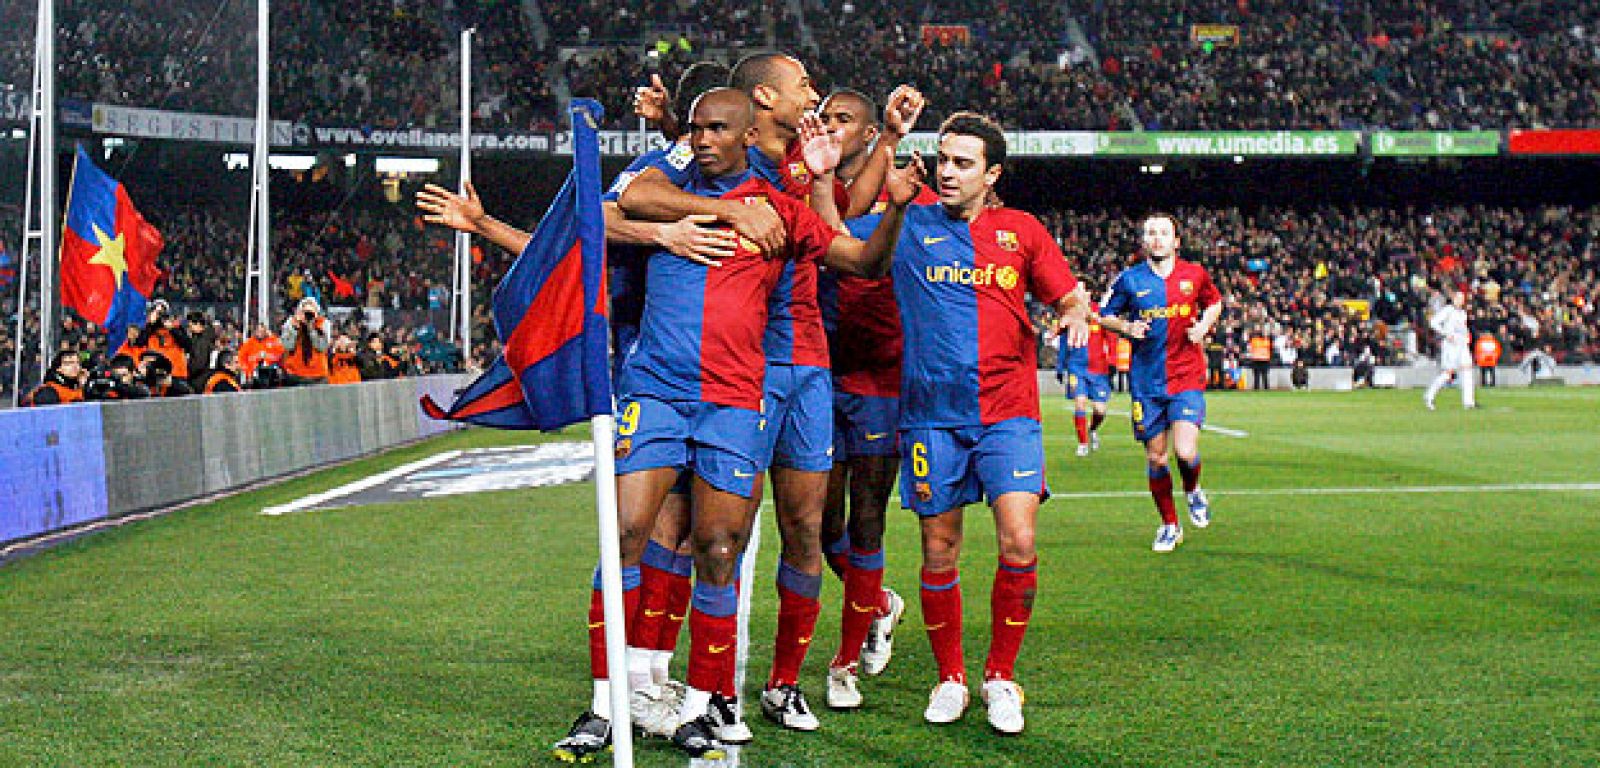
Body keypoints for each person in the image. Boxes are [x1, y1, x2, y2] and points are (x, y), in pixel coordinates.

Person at [550, 88, 918, 762]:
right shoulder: (662, 179)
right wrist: (722, 211)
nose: (701, 139)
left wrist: (893, 206)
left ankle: (699, 708)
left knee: (720, 549)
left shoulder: (783, 211)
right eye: (695, 128)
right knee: (624, 530)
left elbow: (865, 263)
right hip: (655, 390)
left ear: (750, 135)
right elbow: (626, 204)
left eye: (717, 129)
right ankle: (606, 705)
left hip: (732, 399)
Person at [859, 112, 1088, 734]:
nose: (948, 171)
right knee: (939, 548)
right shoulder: (909, 221)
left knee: (1019, 541)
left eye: (963, 162)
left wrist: (1072, 313)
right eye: (943, 159)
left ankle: (1000, 677)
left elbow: (1065, 294)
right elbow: (850, 223)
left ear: (992, 174)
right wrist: (887, 152)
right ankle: (951, 678)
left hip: (1009, 410)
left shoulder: (1022, 231)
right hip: (932, 416)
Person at [814, 87, 931, 713]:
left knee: (866, 520)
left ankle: (843, 665)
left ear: (867, 134)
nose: (830, 127)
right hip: (819, 377)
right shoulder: (820, 192)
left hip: (883, 383)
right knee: (819, 527)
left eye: (842, 120)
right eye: (825, 117)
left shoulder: (918, 201)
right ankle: (881, 603)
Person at [1099, 213, 1223, 554]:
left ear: (1176, 241)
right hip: (1146, 383)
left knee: (1185, 451)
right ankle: (1170, 524)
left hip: (1186, 377)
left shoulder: (1193, 274)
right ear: (1144, 240)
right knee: (1157, 460)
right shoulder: (1129, 280)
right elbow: (1103, 312)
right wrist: (1125, 329)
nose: (1157, 238)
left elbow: (1214, 302)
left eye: (1163, 233)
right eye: (1150, 232)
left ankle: (1194, 489)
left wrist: (1203, 328)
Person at [1054, 302, 1112, 457]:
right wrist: (1060, 366)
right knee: (1080, 403)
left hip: (1098, 369)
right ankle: (1083, 444)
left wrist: (1113, 360)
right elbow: (1063, 341)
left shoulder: (1100, 313)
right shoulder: (1069, 313)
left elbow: (1111, 337)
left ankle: (1092, 429)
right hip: (1076, 367)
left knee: (1100, 410)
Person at [1424, 290, 1475, 410]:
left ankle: (1469, 402)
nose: (1460, 301)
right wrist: (1446, 334)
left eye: (1462, 298)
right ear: (1453, 299)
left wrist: (1467, 336)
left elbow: (1462, 328)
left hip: (1462, 345)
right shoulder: (1448, 310)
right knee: (1448, 374)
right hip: (1451, 346)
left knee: (1467, 371)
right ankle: (1429, 395)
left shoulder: (1462, 313)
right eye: (1458, 298)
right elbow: (1433, 322)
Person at [280, 298, 331, 385]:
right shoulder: (291, 322)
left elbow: (323, 347)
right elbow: (287, 346)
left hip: (318, 374)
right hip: (295, 373)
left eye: (310, 312)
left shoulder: (323, 323)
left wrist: (311, 329)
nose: (308, 315)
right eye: (305, 312)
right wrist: (295, 329)